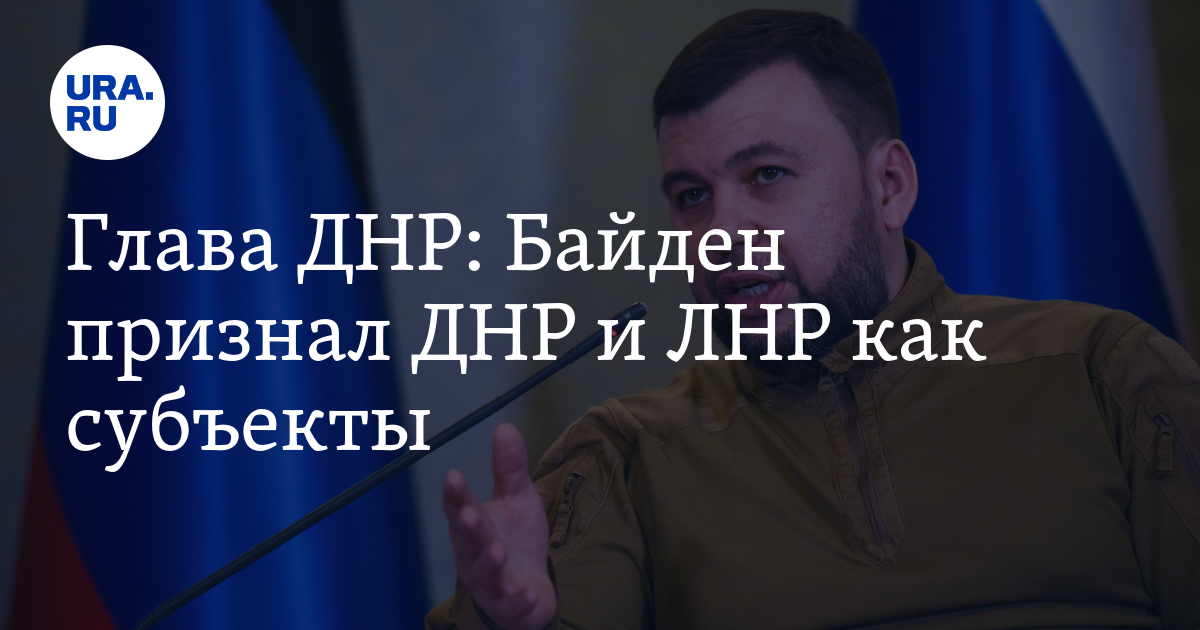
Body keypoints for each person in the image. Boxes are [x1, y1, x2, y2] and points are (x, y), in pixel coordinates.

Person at [427, 10, 1200, 630]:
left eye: (767, 175)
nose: (721, 233)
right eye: (692, 196)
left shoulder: (1104, 374)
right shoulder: (627, 458)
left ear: (889, 185)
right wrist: (502, 621)